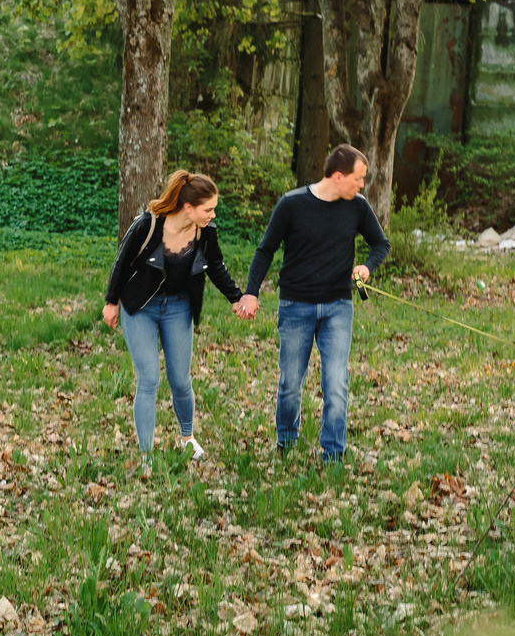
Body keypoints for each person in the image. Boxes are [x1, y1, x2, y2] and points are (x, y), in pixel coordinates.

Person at [243, 144, 390, 461]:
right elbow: (265, 250)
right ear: (338, 176)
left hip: (338, 307)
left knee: (336, 382)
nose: (362, 185)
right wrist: (251, 292)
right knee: (291, 384)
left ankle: (333, 454)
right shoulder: (292, 204)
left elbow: (380, 244)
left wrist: (366, 267)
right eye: (358, 178)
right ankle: (286, 441)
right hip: (296, 307)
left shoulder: (357, 207)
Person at [102, 170, 253, 459]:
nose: (213, 214)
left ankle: (187, 439)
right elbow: (121, 261)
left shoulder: (206, 233)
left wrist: (237, 298)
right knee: (148, 379)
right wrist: (112, 301)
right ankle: (146, 455)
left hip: (179, 307)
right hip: (141, 307)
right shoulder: (149, 224)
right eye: (208, 209)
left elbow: (216, 266)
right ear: (188, 207)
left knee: (181, 380)